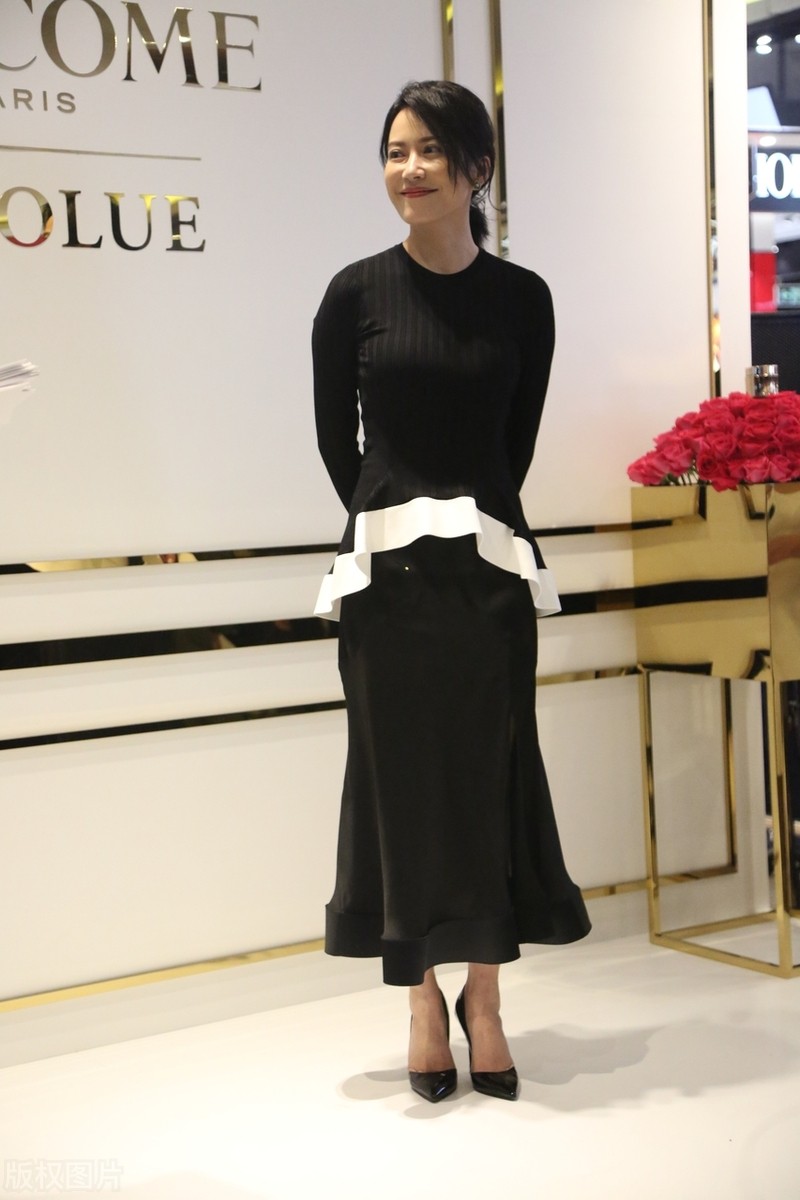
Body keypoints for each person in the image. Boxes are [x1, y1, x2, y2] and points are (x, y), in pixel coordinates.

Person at [312, 80, 590, 1103]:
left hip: (488, 576)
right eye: (395, 151)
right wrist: (395, 522)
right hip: (386, 583)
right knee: (399, 786)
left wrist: (466, 522)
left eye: (430, 150)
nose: (409, 169)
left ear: (478, 168)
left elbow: (513, 444)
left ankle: (487, 995)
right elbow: (334, 447)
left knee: (488, 777)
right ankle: (421, 996)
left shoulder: (523, 298)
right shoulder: (352, 293)